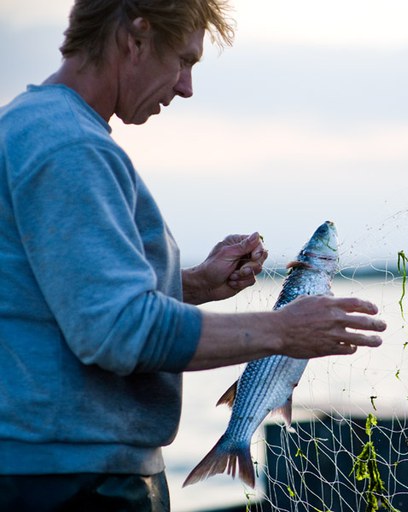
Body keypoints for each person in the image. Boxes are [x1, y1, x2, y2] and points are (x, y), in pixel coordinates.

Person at [0, 1, 386, 510]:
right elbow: (119, 331)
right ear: (135, 36)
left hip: (57, 471)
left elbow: (69, 297)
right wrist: (283, 332)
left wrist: (198, 284)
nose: (185, 87)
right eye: (184, 60)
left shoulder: (35, 126)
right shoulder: (70, 147)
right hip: (72, 482)